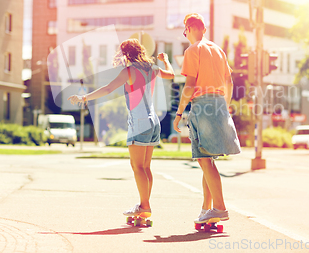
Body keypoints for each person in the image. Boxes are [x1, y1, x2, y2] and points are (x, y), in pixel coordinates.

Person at [68, 39, 174, 217]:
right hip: (154, 121)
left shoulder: (130, 71)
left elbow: (108, 89)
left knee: (137, 166)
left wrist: (84, 98)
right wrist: (166, 60)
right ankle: (144, 204)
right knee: (146, 167)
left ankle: (144, 206)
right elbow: (171, 74)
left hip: (139, 122)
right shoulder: (153, 69)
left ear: (126, 54)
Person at [173, 13, 241, 224]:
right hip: (220, 103)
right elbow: (229, 81)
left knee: (203, 158)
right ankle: (207, 209)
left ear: (190, 28)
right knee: (208, 160)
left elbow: (190, 85)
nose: (186, 35)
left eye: (185, 31)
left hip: (202, 105)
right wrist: (225, 106)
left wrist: (179, 113)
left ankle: (219, 208)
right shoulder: (218, 50)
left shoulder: (193, 50)